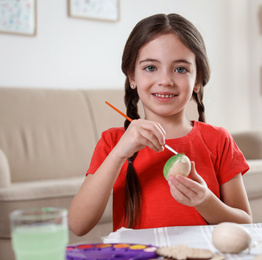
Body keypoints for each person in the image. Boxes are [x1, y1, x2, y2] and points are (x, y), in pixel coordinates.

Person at [69, 13, 252, 236]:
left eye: (181, 69)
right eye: (150, 68)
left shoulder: (218, 140)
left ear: (197, 80)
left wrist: (205, 200)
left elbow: (245, 225)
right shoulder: (113, 143)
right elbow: (78, 225)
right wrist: (118, 154)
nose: (165, 80)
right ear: (132, 77)